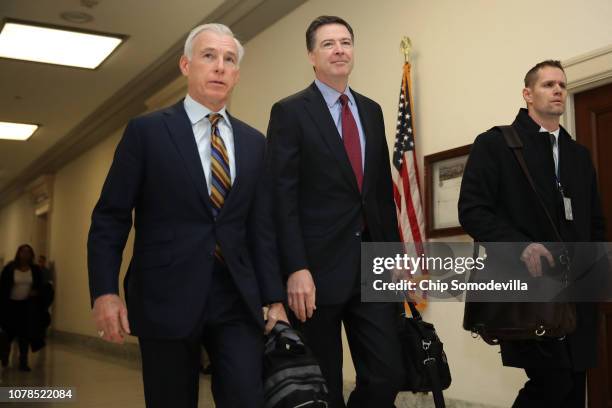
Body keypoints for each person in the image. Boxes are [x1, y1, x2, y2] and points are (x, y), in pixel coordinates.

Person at [87, 23, 287, 408]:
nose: (219, 67)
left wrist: (274, 298)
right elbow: (111, 217)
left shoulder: (253, 142)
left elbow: (261, 229)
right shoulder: (146, 132)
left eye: (229, 60)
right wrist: (105, 292)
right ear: (185, 65)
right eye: (209, 56)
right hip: (165, 295)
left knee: (248, 397)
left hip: (235, 296)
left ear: (237, 74)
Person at [266, 15, 405, 408]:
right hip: (315, 271)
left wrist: (393, 257)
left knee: (387, 376)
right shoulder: (290, 112)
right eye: (328, 44)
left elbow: (379, 194)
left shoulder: (372, 111)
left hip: (373, 266)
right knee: (321, 385)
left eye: (345, 42)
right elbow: (282, 197)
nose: (339, 49)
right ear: (312, 55)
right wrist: (295, 267)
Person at [458, 60, 606, 407]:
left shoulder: (579, 155)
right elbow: (473, 211)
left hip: (579, 294)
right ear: (527, 94)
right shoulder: (495, 145)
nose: (557, 90)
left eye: (562, 85)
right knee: (550, 382)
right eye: (548, 84)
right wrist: (519, 247)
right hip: (530, 288)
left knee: (572, 387)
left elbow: (596, 221)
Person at [0, 244, 48, 371]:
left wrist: (36, 292)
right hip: (10, 306)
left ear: (31, 254)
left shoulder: (35, 270)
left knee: (24, 335)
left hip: (26, 306)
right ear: (18, 253)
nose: (25, 254)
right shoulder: (10, 268)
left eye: (28, 252)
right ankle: (5, 355)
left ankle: (23, 361)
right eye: (23, 251)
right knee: (8, 334)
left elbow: (41, 286)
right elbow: (3, 286)